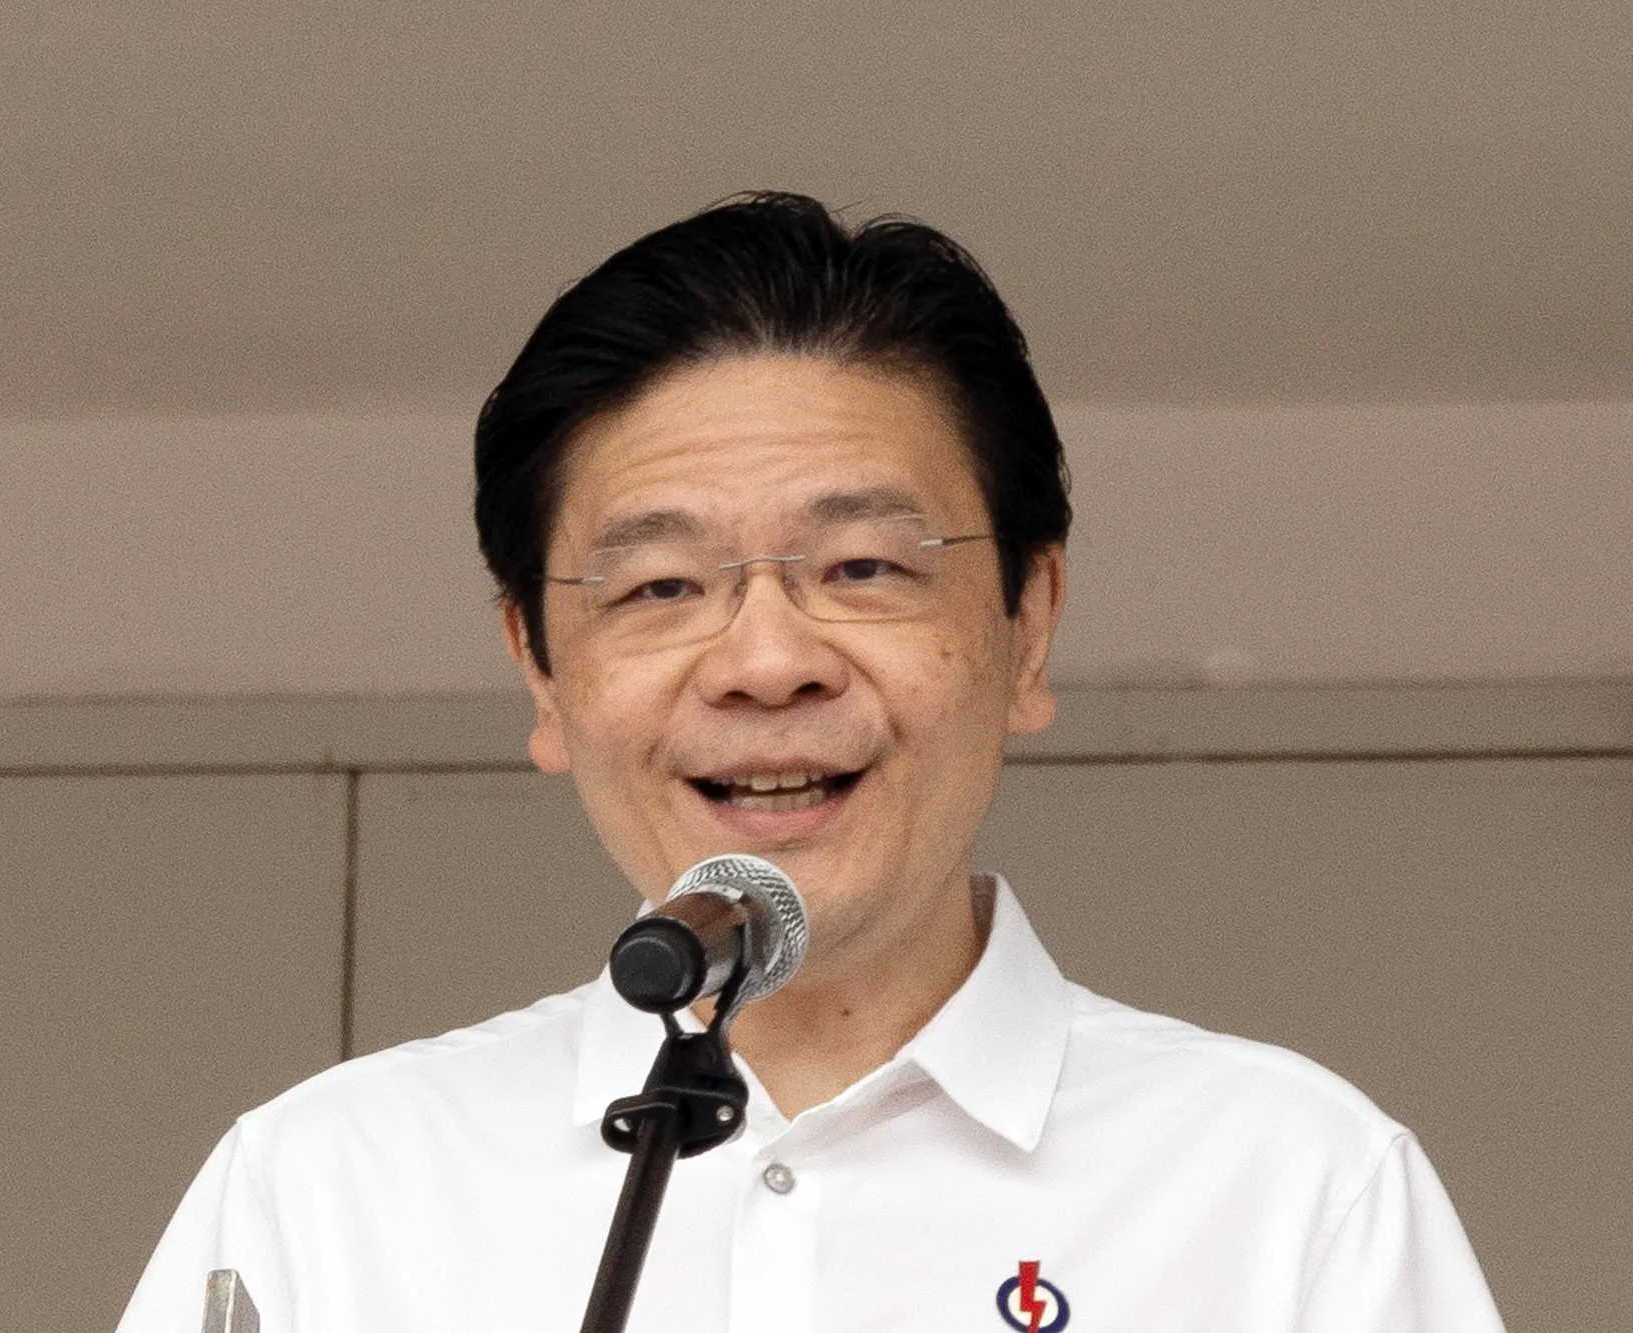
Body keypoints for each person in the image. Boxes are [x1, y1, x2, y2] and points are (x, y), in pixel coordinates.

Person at [116, 193, 1504, 1331]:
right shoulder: (329, 1193)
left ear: (1027, 627)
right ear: (540, 670)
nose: (768, 661)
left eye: (862, 567)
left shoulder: (1287, 1190)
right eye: (661, 587)